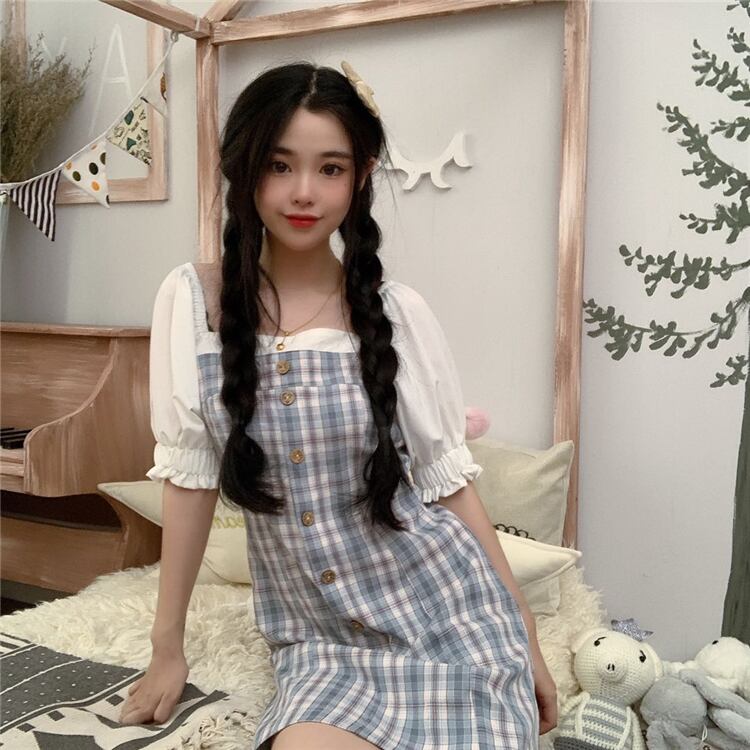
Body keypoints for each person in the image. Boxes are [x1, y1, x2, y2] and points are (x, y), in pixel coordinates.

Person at [119, 60, 557, 749]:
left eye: (330, 168)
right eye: (279, 165)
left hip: (449, 618)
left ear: (361, 177)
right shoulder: (196, 305)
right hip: (321, 643)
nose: (303, 191)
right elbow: (190, 480)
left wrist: (523, 632)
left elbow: (448, 487)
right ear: (244, 169)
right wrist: (166, 647)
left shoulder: (396, 315)